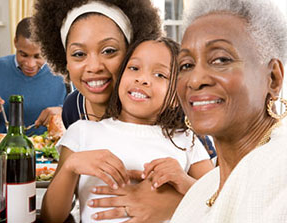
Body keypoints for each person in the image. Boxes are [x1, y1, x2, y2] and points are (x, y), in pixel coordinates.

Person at [41, 37, 214, 222]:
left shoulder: (187, 140)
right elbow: (51, 218)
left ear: (176, 96)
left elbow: (220, 203)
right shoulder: (82, 132)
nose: (142, 79)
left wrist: (185, 184)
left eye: (160, 75)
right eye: (134, 68)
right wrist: (70, 166)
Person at [168, 0, 287, 222]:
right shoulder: (198, 193)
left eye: (221, 59)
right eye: (186, 65)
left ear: (273, 78)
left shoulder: (281, 171)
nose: (195, 80)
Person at [32, 0, 162, 129]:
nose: (94, 67)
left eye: (108, 51)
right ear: (66, 61)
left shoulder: (156, 109)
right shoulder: (72, 109)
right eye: (79, 54)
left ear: (132, 52)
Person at [0, 17, 67, 135]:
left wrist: (63, 112)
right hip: (5, 150)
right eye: (23, 55)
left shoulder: (64, 72)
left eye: (37, 56)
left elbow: (86, 116)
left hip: (50, 150)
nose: (30, 64)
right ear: (15, 42)